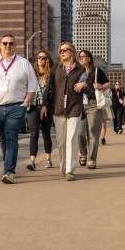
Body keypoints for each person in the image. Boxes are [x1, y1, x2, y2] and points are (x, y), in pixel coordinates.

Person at [0, 34, 38, 184]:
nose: (8, 46)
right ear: (0, 45)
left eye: (11, 44)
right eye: (5, 43)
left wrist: (26, 102)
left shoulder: (23, 63)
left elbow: (32, 87)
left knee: (11, 136)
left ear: (14, 46)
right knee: (3, 138)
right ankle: (7, 165)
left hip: (17, 106)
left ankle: (9, 171)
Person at [42, 41, 86, 181]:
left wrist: (84, 85)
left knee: (72, 138)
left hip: (75, 107)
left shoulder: (81, 70)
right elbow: (49, 88)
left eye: (65, 50)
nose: (62, 53)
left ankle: (70, 170)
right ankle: (63, 165)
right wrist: (44, 104)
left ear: (71, 52)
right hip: (59, 108)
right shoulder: (56, 68)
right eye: (60, 51)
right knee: (61, 141)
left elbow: (89, 88)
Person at [77, 50, 110, 169]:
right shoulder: (76, 71)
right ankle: (83, 152)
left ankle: (92, 159)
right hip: (79, 105)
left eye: (83, 56)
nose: (81, 58)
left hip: (93, 104)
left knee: (93, 133)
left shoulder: (96, 71)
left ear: (89, 58)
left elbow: (107, 84)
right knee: (79, 133)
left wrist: (101, 86)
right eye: (79, 57)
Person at [26, 50, 54, 170]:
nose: (41, 60)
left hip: (46, 108)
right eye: (39, 58)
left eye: (43, 58)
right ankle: (32, 161)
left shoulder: (51, 75)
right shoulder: (32, 75)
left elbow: (54, 93)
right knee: (34, 133)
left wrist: (45, 105)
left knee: (46, 133)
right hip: (33, 107)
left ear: (47, 60)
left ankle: (48, 159)